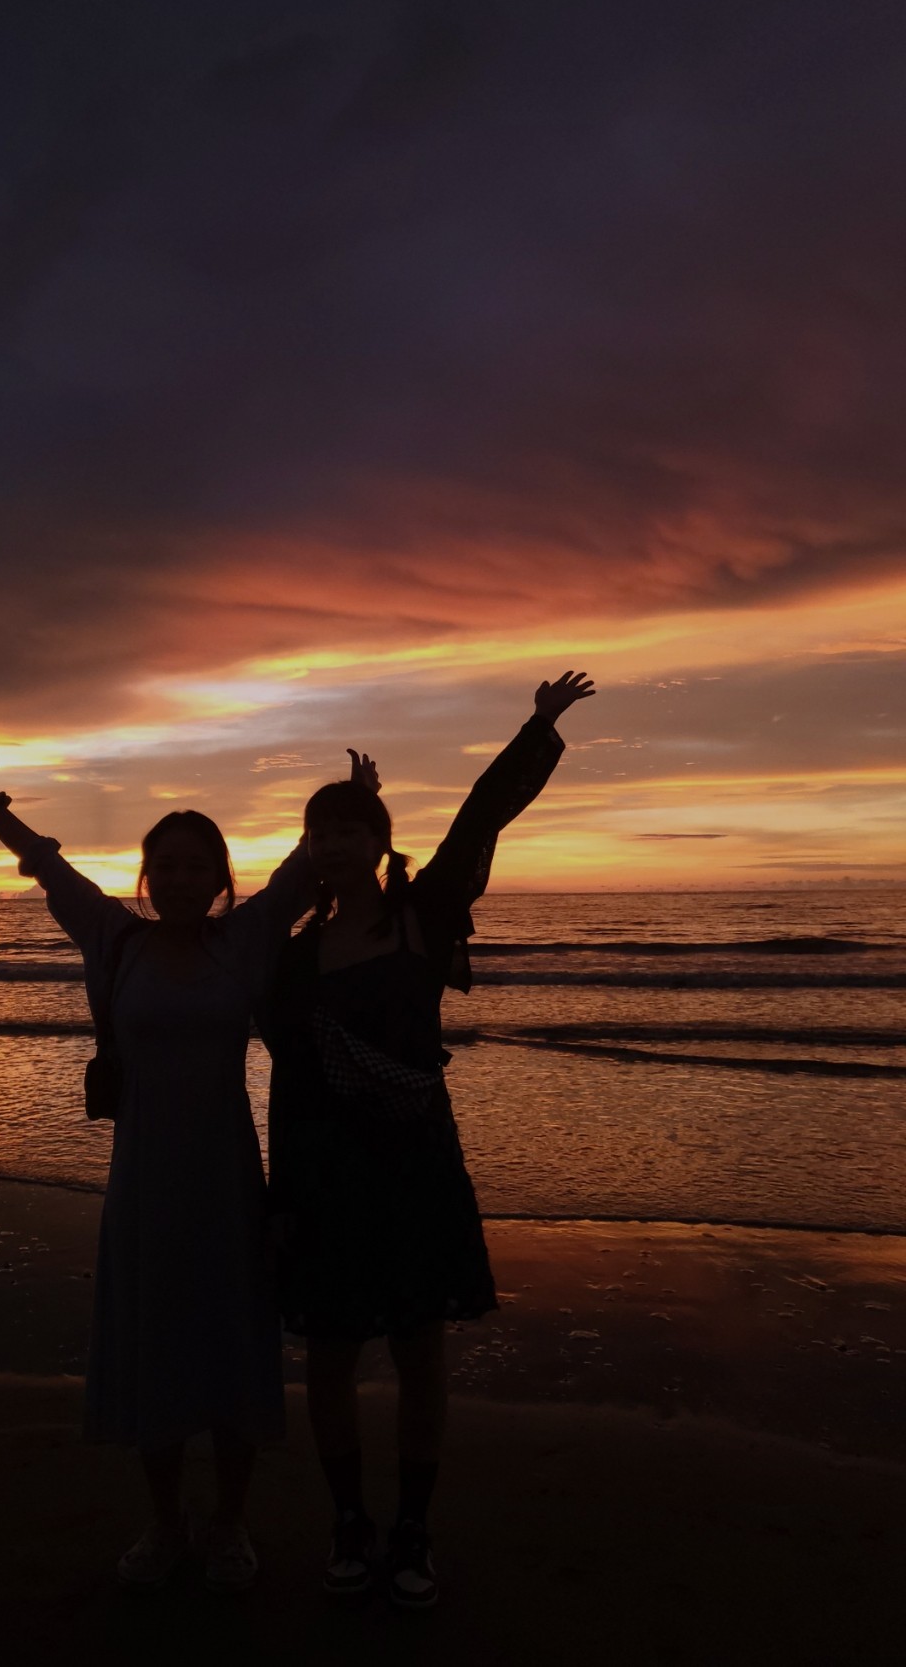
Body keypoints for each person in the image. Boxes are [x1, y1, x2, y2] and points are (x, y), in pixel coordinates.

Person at [0, 755, 352, 1593]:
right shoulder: (116, 940)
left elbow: (300, 870)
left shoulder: (243, 941)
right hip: (142, 1182)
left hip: (228, 1182)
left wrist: (355, 802)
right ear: (146, 876)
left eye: (195, 866)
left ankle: (230, 1521)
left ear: (219, 878)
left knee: (232, 1343)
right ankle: (166, 1521)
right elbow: (51, 869)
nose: (178, 879)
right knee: (155, 1344)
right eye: (164, 865)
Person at [265, 671, 595, 1609]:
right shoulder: (293, 956)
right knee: (330, 1355)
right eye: (320, 831)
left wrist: (537, 726)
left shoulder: (425, 913)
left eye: (350, 829)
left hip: (414, 1165)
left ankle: (412, 1526)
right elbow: (288, 1079)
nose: (334, 844)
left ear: (379, 843)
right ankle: (349, 1522)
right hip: (325, 1173)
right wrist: (282, 1193)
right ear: (307, 848)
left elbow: (483, 813)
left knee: (419, 1349)